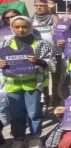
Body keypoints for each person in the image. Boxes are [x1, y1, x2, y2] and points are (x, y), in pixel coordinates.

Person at [0, 16, 55, 148]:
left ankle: (35, 137)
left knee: (34, 113)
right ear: (12, 28)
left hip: (33, 85)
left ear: (30, 27)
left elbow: (52, 64)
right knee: (16, 114)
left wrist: (38, 61)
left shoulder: (40, 43)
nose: (21, 30)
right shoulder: (5, 44)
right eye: (17, 27)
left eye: (24, 26)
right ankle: (18, 137)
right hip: (13, 85)